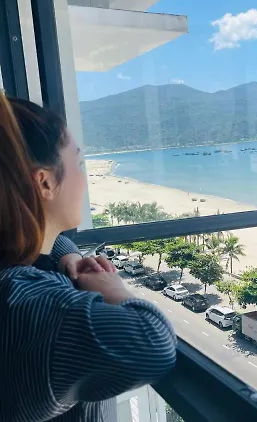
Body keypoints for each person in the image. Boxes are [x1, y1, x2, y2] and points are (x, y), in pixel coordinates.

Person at [0, 95, 177, 421]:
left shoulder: (16, 262)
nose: (84, 179)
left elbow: (54, 242)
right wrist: (114, 289)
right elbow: (152, 345)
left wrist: (68, 257)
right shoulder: (29, 305)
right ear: (45, 182)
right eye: (79, 164)